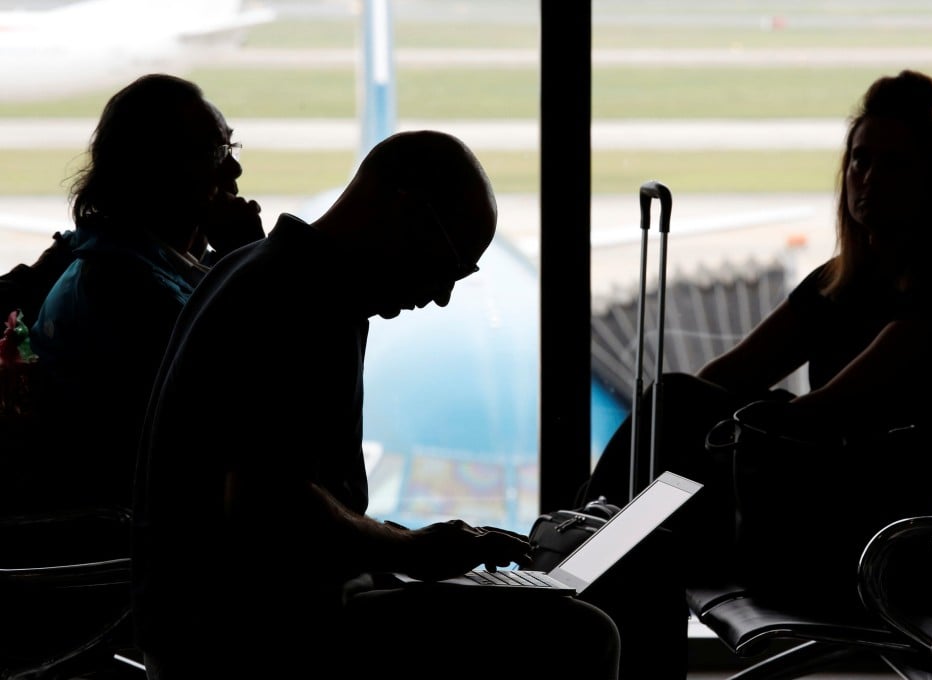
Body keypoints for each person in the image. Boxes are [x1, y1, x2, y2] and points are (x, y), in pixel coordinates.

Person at [132, 129, 621, 680]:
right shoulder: (301, 304)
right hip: (248, 637)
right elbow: (269, 508)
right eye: (449, 264)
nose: (439, 294)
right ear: (405, 211)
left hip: (206, 622)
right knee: (579, 634)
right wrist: (409, 549)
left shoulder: (253, 269)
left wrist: (409, 549)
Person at [574, 69, 932, 677]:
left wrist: (724, 420)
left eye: (895, 165)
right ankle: (591, 548)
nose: (869, 178)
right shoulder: (843, 281)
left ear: (931, 184)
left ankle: (578, 550)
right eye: (860, 161)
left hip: (872, 539)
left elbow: (827, 410)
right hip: (815, 505)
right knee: (669, 446)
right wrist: (709, 416)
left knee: (647, 529)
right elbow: (726, 377)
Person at [24, 73, 264, 512]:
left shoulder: (151, 264)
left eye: (230, 147)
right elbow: (253, 400)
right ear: (150, 168)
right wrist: (250, 260)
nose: (233, 169)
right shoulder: (120, 289)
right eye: (213, 152)